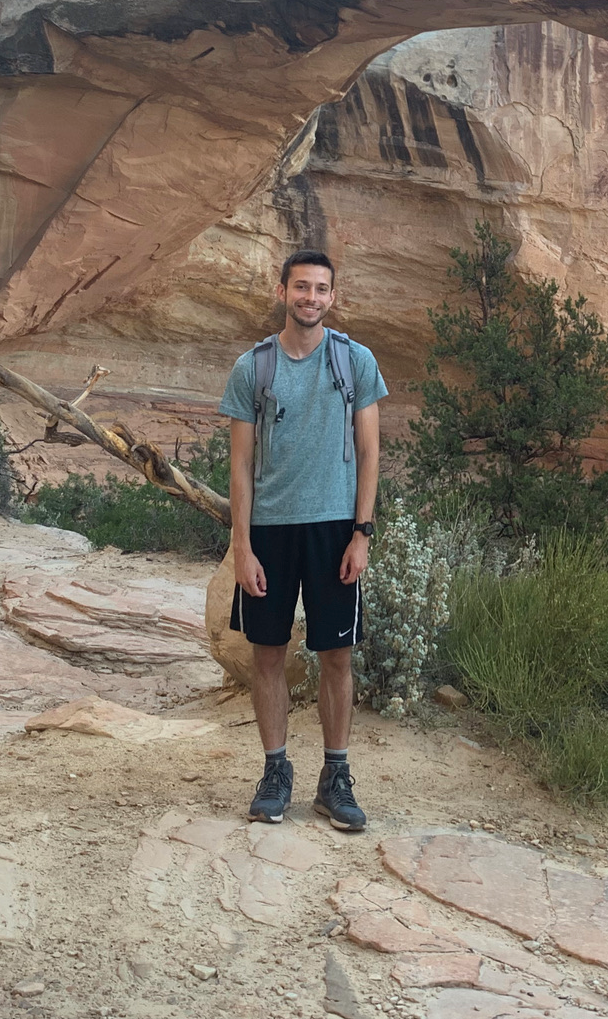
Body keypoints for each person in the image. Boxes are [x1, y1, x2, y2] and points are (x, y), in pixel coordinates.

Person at [219, 249, 386, 830]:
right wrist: (242, 546)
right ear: (282, 290)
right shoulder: (253, 367)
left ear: (332, 297)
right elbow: (240, 465)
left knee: (336, 656)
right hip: (269, 530)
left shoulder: (355, 361)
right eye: (301, 287)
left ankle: (334, 778)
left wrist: (361, 533)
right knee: (268, 656)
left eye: (321, 289)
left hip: (335, 527)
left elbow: (370, 452)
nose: (310, 298)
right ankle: (275, 772)